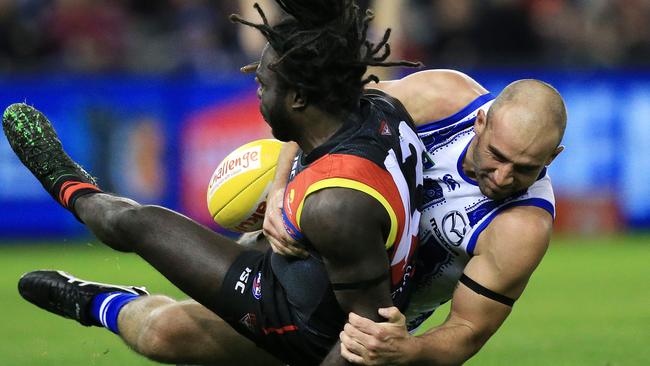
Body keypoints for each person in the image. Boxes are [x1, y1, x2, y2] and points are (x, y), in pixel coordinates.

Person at [5, 1, 425, 365]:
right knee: (150, 270)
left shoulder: (335, 206)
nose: (257, 95)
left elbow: (367, 339)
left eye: (263, 84)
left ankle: (70, 205)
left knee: (157, 326)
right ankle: (89, 267)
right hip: (310, 277)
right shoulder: (375, 107)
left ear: (298, 98)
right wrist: (280, 190)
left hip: (304, 327)